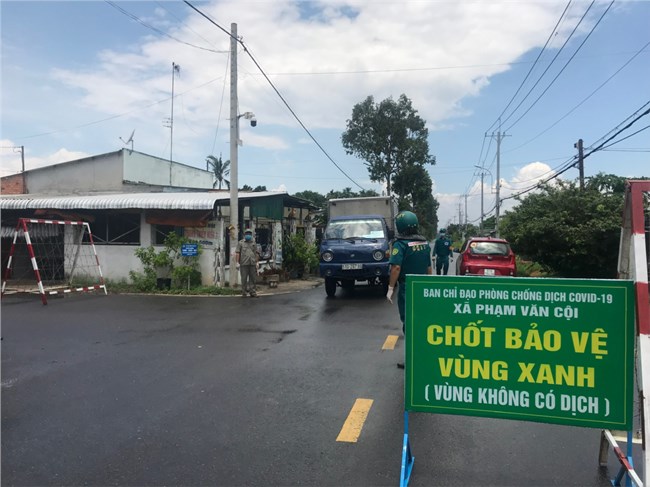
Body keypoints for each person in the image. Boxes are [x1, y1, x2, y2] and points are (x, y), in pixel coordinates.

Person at [387, 211, 433, 338]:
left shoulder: (400, 244)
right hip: (422, 285)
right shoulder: (424, 243)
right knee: (421, 316)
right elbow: (429, 267)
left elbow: (396, 267)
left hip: (407, 287)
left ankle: (412, 348)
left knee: (408, 318)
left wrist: (390, 288)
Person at [235, 228, 260, 297]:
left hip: (252, 263)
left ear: (251, 235)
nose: (248, 235)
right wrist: (237, 262)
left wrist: (257, 262)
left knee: (253, 278)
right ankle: (244, 292)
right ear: (244, 234)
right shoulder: (241, 243)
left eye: (249, 234)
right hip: (244, 263)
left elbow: (257, 253)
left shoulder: (254, 243)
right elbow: (237, 253)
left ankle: (253, 292)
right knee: (244, 278)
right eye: (247, 233)